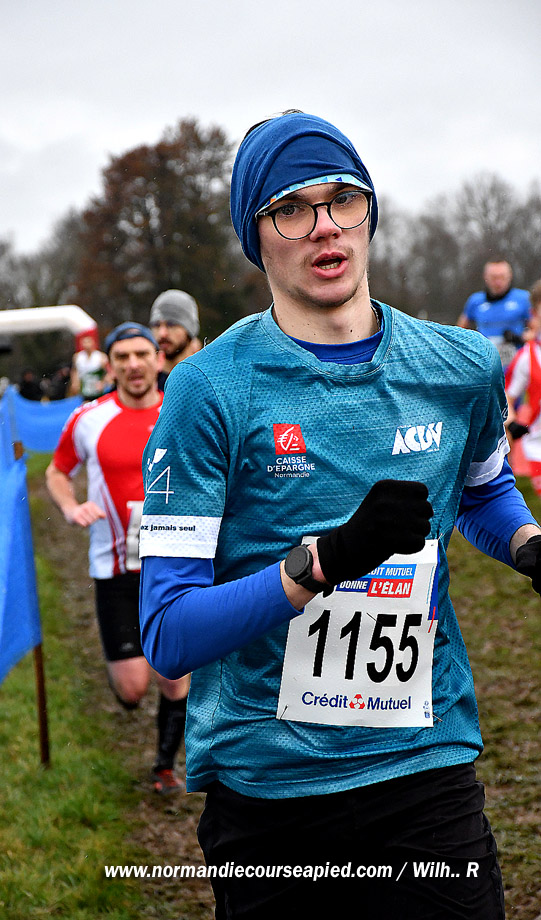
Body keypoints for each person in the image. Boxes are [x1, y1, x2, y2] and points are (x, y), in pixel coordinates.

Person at [138, 111, 541, 918]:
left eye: (342, 199)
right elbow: (169, 633)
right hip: (270, 792)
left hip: (425, 769)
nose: (324, 226)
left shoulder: (459, 365)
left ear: (368, 212)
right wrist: (316, 565)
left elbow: (479, 488)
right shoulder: (208, 390)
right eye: (289, 208)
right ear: (255, 235)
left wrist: (528, 543)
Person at [46, 322, 189, 794]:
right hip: (114, 569)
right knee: (132, 690)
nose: (133, 365)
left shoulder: (183, 410)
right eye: (122, 357)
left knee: (175, 679)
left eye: (142, 354)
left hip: (174, 567)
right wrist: (70, 507)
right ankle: (128, 682)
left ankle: (164, 768)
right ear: (109, 367)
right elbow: (57, 472)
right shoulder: (88, 418)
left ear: (159, 360)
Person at [457, 259, 531, 368]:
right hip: (486, 365)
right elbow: (459, 330)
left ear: (510, 276)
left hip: (516, 365)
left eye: (502, 277)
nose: (498, 282)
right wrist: (472, 343)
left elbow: (536, 331)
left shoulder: (524, 299)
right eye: (494, 278)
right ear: (485, 277)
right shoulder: (475, 301)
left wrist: (519, 338)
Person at [505, 280, 541, 493]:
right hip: (537, 450)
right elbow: (506, 399)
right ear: (534, 313)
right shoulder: (527, 356)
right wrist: (512, 423)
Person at [149, 289, 202, 388]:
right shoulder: (145, 387)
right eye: (156, 325)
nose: (162, 333)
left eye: (171, 324)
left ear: (189, 330)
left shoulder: (206, 380)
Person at [69, 334, 109, 401]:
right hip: (84, 388)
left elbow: (108, 372)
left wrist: (103, 383)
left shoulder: (101, 356)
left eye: (88, 342)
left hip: (97, 388)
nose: (86, 345)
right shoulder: (77, 357)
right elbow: (74, 371)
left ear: (93, 343)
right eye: (84, 342)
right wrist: (75, 382)